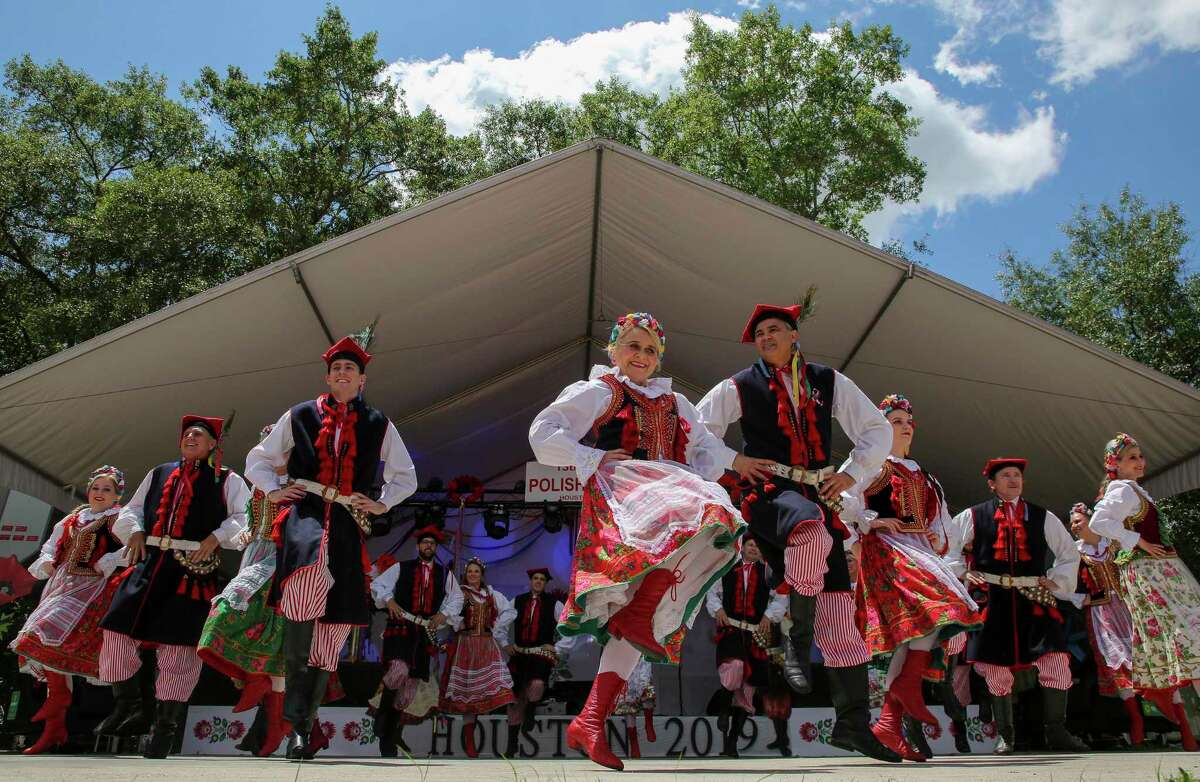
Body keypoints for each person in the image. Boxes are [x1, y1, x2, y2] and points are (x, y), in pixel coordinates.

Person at [529, 312, 746, 770]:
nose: (641, 356)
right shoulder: (603, 390)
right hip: (625, 493)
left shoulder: (676, 402)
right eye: (632, 345)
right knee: (699, 509)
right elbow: (543, 433)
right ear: (613, 350)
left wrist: (740, 464)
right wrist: (591, 455)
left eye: (650, 349)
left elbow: (705, 450)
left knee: (637, 616)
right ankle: (639, 615)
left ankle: (590, 720)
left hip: (667, 489)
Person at [697, 302, 899, 763]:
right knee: (810, 530)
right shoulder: (739, 385)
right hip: (768, 495)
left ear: (794, 336)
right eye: (759, 334)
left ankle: (852, 725)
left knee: (842, 621)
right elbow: (696, 431)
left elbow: (875, 429)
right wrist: (734, 460)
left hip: (818, 497)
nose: (766, 338)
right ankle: (797, 637)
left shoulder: (829, 381)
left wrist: (851, 474)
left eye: (774, 330)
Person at [246, 335, 418, 760]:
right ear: (327, 377)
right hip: (304, 511)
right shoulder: (301, 414)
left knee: (333, 630)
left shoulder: (379, 422)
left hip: (344, 520)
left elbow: (406, 476)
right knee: (302, 594)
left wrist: (380, 502)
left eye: (350, 369)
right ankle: (295, 728)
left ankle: (302, 727)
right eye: (336, 368)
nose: (342, 373)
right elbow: (258, 460)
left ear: (362, 379)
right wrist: (272, 490)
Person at [839, 394, 982, 761]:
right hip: (886, 550)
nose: (904, 426)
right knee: (941, 609)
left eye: (907, 421)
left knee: (916, 629)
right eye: (895, 420)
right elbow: (839, 498)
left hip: (918, 550)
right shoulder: (870, 462)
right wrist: (866, 528)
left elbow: (941, 522)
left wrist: (936, 536)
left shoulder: (925, 475)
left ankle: (889, 720)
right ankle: (905, 687)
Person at [98, 416, 250, 758]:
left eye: (199, 434)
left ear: (214, 444)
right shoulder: (159, 472)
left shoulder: (227, 479)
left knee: (178, 651)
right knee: (116, 631)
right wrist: (135, 530)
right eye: (187, 434)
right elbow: (133, 509)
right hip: (149, 563)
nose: (191, 437)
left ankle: (164, 731)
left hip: (192, 571)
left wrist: (216, 537)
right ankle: (129, 704)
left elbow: (244, 517)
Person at [947, 458, 1088, 754]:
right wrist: (962, 571)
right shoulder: (974, 515)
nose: (1013, 480)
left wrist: (1056, 578)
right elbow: (949, 546)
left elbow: (1067, 552)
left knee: (1055, 659)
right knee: (995, 667)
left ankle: (1057, 732)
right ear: (992, 483)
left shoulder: (1042, 516)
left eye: (1017, 476)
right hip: (993, 598)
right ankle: (1006, 736)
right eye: (1006, 475)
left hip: (1033, 597)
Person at [1087, 433, 1200, 751]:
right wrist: (1137, 542)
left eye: (1140, 456)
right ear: (1115, 464)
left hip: (1161, 571)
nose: (1140, 461)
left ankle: (1188, 724)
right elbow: (1098, 521)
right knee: (1189, 636)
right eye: (1132, 457)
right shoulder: (1122, 489)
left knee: (1187, 639)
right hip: (1151, 573)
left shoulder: (1134, 490)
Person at [12, 466, 128, 754]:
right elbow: (49, 548)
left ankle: (60, 701)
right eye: (96, 488)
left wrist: (108, 562)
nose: (99, 493)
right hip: (61, 583)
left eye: (107, 490)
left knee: (47, 632)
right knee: (39, 638)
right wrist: (47, 562)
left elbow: (132, 549)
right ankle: (55, 724)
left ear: (117, 495)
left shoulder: (121, 518)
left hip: (92, 588)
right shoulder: (72, 518)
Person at [197, 424, 291, 756]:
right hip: (256, 556)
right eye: (267, 446)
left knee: (277, 638)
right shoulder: (255, 485)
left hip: (284, 559)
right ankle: (259, 688)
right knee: (231, 613)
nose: (273, 452)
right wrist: (245, 535)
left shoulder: (298, 483)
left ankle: (276, 726)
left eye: (279, 446)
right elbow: (248, 523)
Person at [370, 525, 452, 756]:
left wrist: (443, 615)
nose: (428, 546)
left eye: (432, 544)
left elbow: (455, 599)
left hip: (423, 632)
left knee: (408, 690)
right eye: (425, 543)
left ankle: (389, 738)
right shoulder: (401, 567)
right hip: (401, 625)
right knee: (399, 670)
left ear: (436, 548)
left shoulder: (445, 574)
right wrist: (390, 600)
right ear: (418, 546)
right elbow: (378, 585)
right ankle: (383, 717)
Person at [1068, 502, 1144, 745]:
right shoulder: (1074, 552)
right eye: (1073, 522)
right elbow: (1061, 583)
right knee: (1116, 662)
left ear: (1092, 520)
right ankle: (1136, 721)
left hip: (1129, 609)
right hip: (1101, 615)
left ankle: (1172, 718)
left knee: (1142, 659)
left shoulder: (1113, 543)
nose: (1074, 526)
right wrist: (1082, 598)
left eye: (1078, 520)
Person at [705, 536, 787, 757]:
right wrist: (718, 610)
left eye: (759, 547)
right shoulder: (727, 568)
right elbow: (711, 592)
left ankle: (731, 745)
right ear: (743, 547)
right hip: (731, 630)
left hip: (755, 633)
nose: (754, 549)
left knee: (749, 688)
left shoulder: (768, 572)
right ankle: (723, 710)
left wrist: (769, 616)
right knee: (734, 668)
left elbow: (781, 597)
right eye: (751, 545)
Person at [438, 557, 516, 758]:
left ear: (482, 575)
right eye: (470, 572)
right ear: (466, 574)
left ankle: (510, 735)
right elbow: (449, 616)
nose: (473, 575)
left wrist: (496, 626)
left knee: (501, 686)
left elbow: (509, 611)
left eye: (476, 572)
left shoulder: (491, 594)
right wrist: (458, 622)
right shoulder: (460, 594)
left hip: (487, 645)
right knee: (468, 695)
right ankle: (470, 742)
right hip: (466, 646)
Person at [503, 567, 563, 758]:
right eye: (535, 578)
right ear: (531, 581)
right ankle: (511, 745)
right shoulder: (517, 601)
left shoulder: (554, 604)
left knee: (536, 685)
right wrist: (505, 644)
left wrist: (558, 647)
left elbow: (569, 626)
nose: (538, 581)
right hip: (520, 654)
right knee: (514, 699)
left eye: (542, 579)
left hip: (540, 654)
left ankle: (531, 710)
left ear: (546, 583)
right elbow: (500, 624)